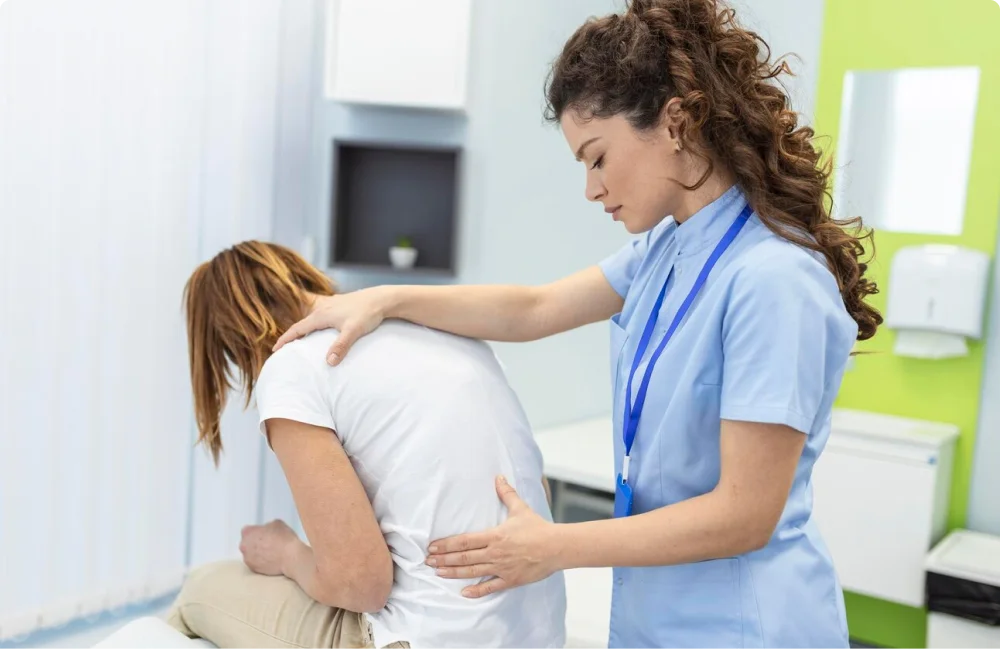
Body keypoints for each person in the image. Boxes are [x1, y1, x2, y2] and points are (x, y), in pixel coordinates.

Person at [272, 0, 883, 647]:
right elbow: (533, 309)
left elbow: (745, 513)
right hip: (654, 620)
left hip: (747, 626)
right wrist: (386, 300)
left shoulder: (775, 278)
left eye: (598, 158)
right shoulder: (666, 249)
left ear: (675, 123)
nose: (592, 189)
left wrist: (552, 546)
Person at [170, 241, 566, 649]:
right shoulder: (449, 328)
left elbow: (360, 585)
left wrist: (285, 552)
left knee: (199, 589)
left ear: (231, 337)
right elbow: (537, 489)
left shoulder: (293, 365)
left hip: (427, 638)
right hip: (542, 635)